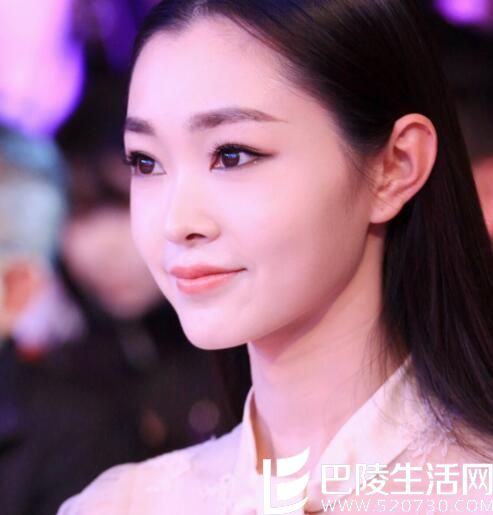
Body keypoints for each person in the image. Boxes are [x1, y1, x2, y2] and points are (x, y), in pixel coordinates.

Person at [58, 1, 493, 513]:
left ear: (395, 167)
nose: (176, 222)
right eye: (145, 162)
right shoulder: (122, 505)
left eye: (232, 155)